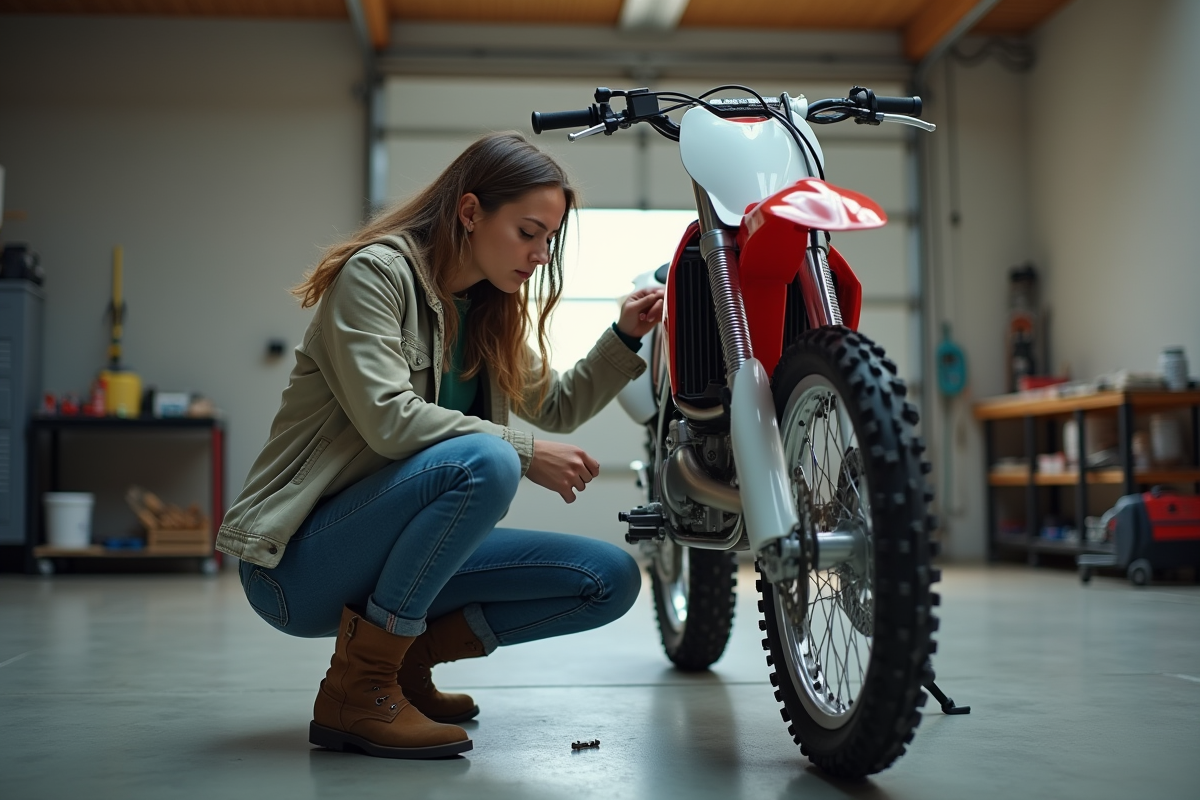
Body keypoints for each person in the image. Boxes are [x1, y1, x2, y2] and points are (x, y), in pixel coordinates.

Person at [216, 131, 664, 760]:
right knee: (489, 459)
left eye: (549, 240)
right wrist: (525, 452)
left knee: (608, 578)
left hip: (392, 554)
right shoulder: (376, 276)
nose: (539, 254)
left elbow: (559, 405)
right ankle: (359, 687)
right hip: (297, 564)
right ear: (471, 211)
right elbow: (389, 421)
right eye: (528, 231)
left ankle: (402, 667)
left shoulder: (488, 310)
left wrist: (624, 334)